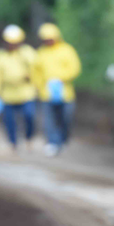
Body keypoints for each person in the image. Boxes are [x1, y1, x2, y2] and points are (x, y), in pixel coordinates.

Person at [32, 23, 81, 156]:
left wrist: (61, 78)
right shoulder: (41, 53)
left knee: (66, 118)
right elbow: (36, 72)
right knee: (49, 120)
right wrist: (39, 85)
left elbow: (75, 68)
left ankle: (63, 139)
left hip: (65, 93)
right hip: (46, 93)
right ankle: (53, 142)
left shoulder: (67, 50)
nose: (49, 41)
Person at [0, 24, 37, 151]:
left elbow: (37, 69)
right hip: (7, 94)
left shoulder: (28, 53)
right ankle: (13, 142)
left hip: (26, 92)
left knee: (29, 116)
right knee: (9, 121)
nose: (12, 45)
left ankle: (28, 137)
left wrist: (32, 78)